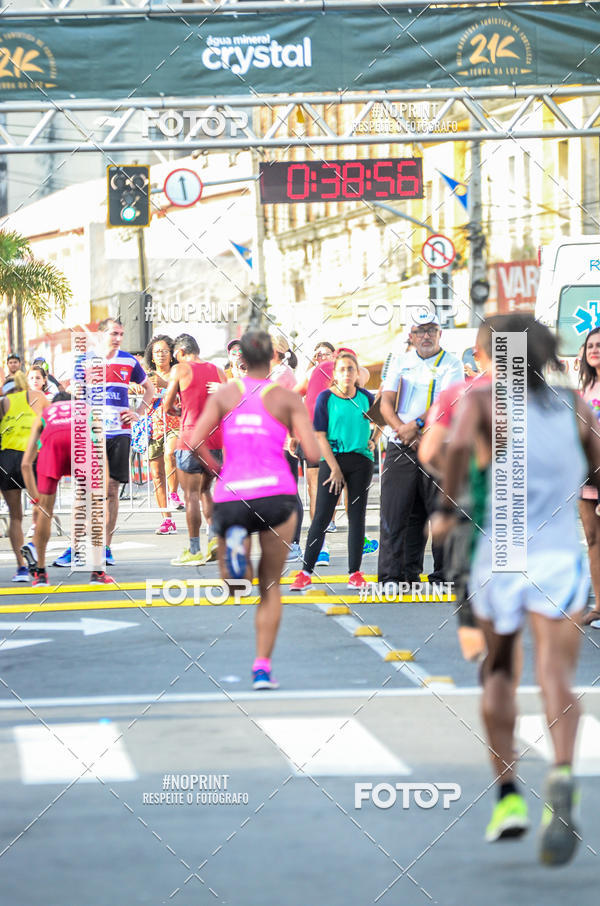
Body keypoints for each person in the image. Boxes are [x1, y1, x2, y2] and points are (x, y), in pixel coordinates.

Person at [434, 315, 597, 865]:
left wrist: (445, 507)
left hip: (500, 557)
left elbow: (454, 451)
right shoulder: (573, 404)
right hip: (558, 559)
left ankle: (507, 797)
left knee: (499, 671)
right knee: (557, 676)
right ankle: (564, 775)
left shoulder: (483, 404)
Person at [188, 330, 320, 690]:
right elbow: (312, 454)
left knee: (235, 585)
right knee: (271, 585)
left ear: (240, 359)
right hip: (276, 493)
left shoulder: (228, 392)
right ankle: (262, 668)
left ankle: (234, 553)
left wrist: (218, 470)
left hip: (232, 494)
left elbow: (193, 440)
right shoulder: (286, 397)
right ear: (274, 359)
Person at [53, 317, 154, 568]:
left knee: (110, 491)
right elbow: (72, 392)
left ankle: (106, 548)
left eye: (121, 333)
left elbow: (149, 390)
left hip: (120, 433)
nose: (118, 338)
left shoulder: (129, 361)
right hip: (91, 433)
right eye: (113, 333)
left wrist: (138, 411)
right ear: (101, 335)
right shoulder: (85, 360)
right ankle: (75, 547)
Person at [377, 310, 463, 586]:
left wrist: (414, 425)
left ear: (440, 333)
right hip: (399, 444)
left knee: (440, 509)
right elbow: (385, 403)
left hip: (438, 445)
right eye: (420, 330)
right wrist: (403, 431)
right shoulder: (399, 361)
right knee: (397, 511)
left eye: (431, 329)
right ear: (411, 335)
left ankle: (443, 574)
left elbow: (445, 403)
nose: (426, 335)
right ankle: (397, 574)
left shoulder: (452, 363)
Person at [292, 351, 375, 591]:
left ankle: (355, 573)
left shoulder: (365, 397)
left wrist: (373, 438)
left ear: (357, 373)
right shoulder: (326, 398)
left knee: (356, 517)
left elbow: (382, 418)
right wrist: (335, 468)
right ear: (334, 374)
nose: (347, 373)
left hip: (361, 462)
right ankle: (306, 571)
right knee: (322, 516)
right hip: (332, 461)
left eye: (351, 369)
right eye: (342, 369)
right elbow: (319, 435)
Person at [19, 393, 113, 586]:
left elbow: (25, 464)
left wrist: (36, 499)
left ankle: (41, 574)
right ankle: (97, 573)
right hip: (81, 442)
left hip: (52, 444)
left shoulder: (45, 413)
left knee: (45, 511)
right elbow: (101, 453)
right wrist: (101, 494)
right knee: (93, 510)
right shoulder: (86, 409)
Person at [163, 334, 226, 566]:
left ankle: (194, 550)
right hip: (214, 437)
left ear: (179, 352)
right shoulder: (218, 370)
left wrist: (178, 412)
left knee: (190, 495)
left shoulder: (180, 369)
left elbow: (167, 404)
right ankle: (213, 539)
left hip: (190, 436)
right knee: (206, 491)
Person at [0, 372, 47, 581]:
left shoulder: (4, 403)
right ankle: (34, 551)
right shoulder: (38, 397)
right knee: (41, 506)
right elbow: (50, 424)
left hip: (7, 457)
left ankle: (21, 568)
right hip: (32, 455)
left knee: (15, 515)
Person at [294, 341, 336, 563]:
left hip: (337, 436)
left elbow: (364, 377)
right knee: (314, 489)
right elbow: (293, 394)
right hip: (311, 434)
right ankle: (320, 546)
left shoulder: (342, 368)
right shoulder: (311, 373)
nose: (322, 358)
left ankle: (359, 538)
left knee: (337, 487)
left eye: (326, 354)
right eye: (317, 354)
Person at [143, 335, 183, 535]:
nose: (160, 355)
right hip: (153, 426)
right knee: (157, 475)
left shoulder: (177, 372)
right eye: (157, 351)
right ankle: (167, 520)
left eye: (165, 351)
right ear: (151, 356)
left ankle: (174, 494)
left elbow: (184, 389)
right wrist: (136, 387)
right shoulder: (146, 375)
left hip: (175, 423)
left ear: (171, 354)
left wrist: (163, 383)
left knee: (171, 454)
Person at [577, 327, 600, 627]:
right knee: (593, 539)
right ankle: (599, 606)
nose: (594, 349)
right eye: (590, 345)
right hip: (586, 474)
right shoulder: (586, 387)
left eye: (599, 345)